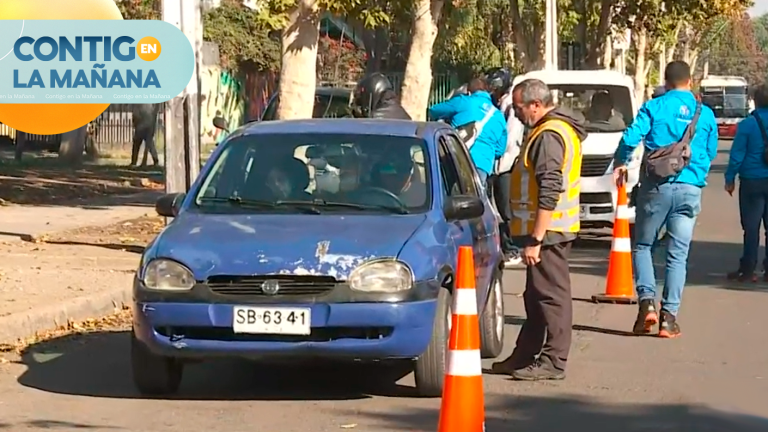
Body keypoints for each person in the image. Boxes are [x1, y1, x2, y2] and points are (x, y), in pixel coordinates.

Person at [613, 61, 718, 339]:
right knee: (677, 255)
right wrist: (696, 173)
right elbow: (710, 150)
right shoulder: (704, 114)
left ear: (665, 81)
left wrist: (621, 163)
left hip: (656, 188)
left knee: (644, 245)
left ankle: (646, 303)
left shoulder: (654, 107)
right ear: (690, 81)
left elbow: (630, 137)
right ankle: (668, 318)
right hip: (690, 189)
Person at [491, 78, 587, 381]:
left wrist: (536, 238)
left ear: (536, 104)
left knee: (551, 296)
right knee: (535, 295)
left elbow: (550, 187)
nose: (517, 114)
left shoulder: (549, 135)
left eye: (519, 108)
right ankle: (525, 354)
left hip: (549, 231)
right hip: (547, 230)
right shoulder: (547, 130)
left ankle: (553, 360)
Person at [428, 77, 508, 186]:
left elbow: (434, 110)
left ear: (469, 92)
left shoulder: (462, 101)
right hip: (482, 164)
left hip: (456, 158)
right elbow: (499, 150)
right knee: (475, 199)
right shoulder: (499, 117)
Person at [724, 84, 768, 282]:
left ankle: (748, 268)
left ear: (755, 101)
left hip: (752, 180)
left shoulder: (747, 125)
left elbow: (737, 154)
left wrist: (730, 178)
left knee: (751, 227)